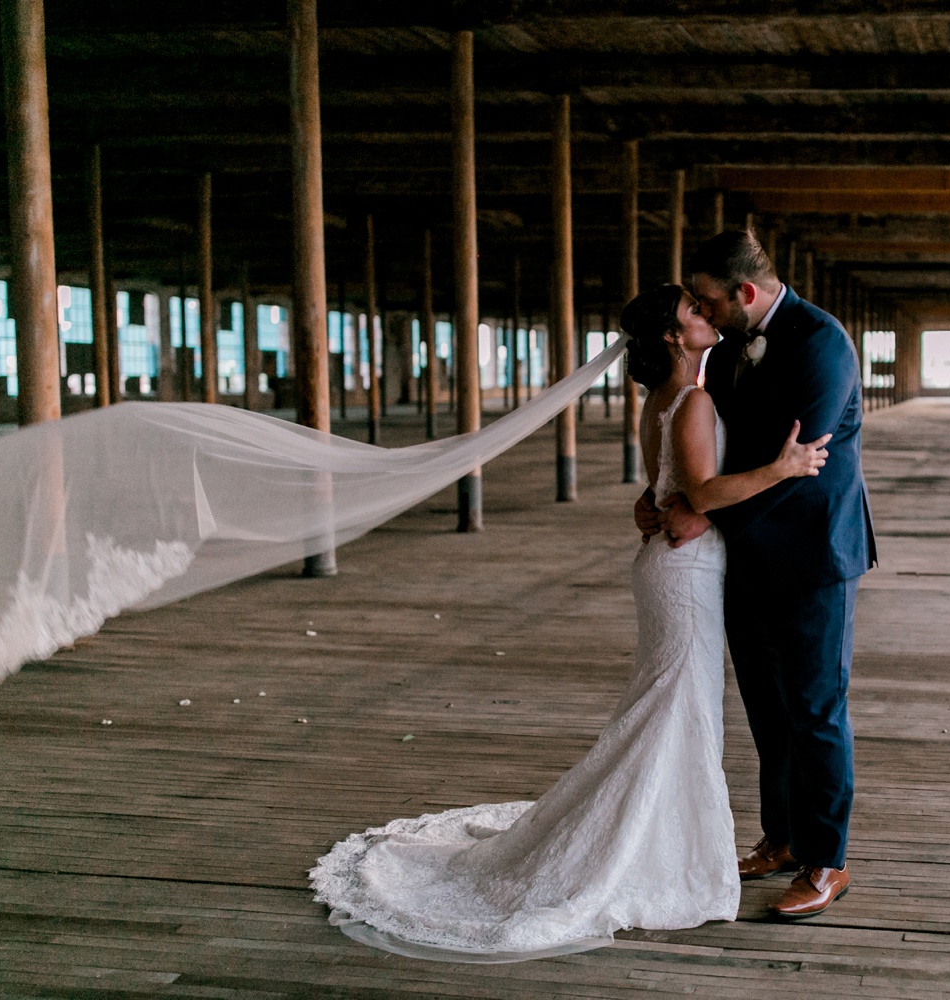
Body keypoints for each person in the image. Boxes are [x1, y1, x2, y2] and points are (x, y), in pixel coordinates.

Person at [310, 283, 829, 962]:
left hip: (667, 562)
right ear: (673, 337)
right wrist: (783, 467)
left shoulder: (661, 401)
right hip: (687, 570)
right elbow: (698, 492)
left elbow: (659, 490)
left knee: (668, 708)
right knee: (677, 708)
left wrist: (655, 505)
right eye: (693, 313)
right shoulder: (695, 400)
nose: (707, 317)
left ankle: (650, 844)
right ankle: (642, 856)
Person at [637, 229, 877, 919]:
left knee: (816, 710)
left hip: (812, 556)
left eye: (709, 303)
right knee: (768, 713)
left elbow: (802, 458)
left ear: (743, 292)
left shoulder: (820, 341)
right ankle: (781, 837)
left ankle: (827, 860)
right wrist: (673, 496)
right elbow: (717, 443)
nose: (703, 316)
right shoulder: (736, 343)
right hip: (743, 558)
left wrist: (701, 513)